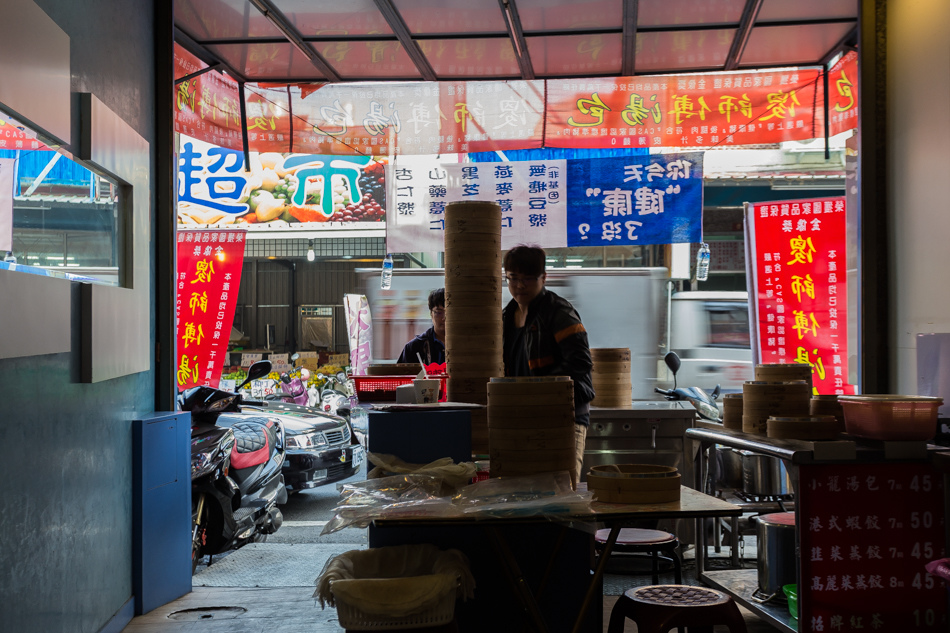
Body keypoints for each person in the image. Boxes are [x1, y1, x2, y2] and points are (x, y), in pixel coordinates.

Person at [501, 245, 594, 487]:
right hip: (525, 417)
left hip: (564, 415)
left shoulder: (558, 311)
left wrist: (538, 390)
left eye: (527, 279)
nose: (519, 286)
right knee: (525, 494)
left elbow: (580, 363)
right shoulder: (505, 316)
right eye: (513, 278)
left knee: (562, 491)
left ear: (544, 278)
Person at [397, 287, 446, 366]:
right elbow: (402, 376)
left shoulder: (468, 345)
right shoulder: (414, 347)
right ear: (431, 313)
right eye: (439, 312)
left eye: (450, 312)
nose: (444, 318)